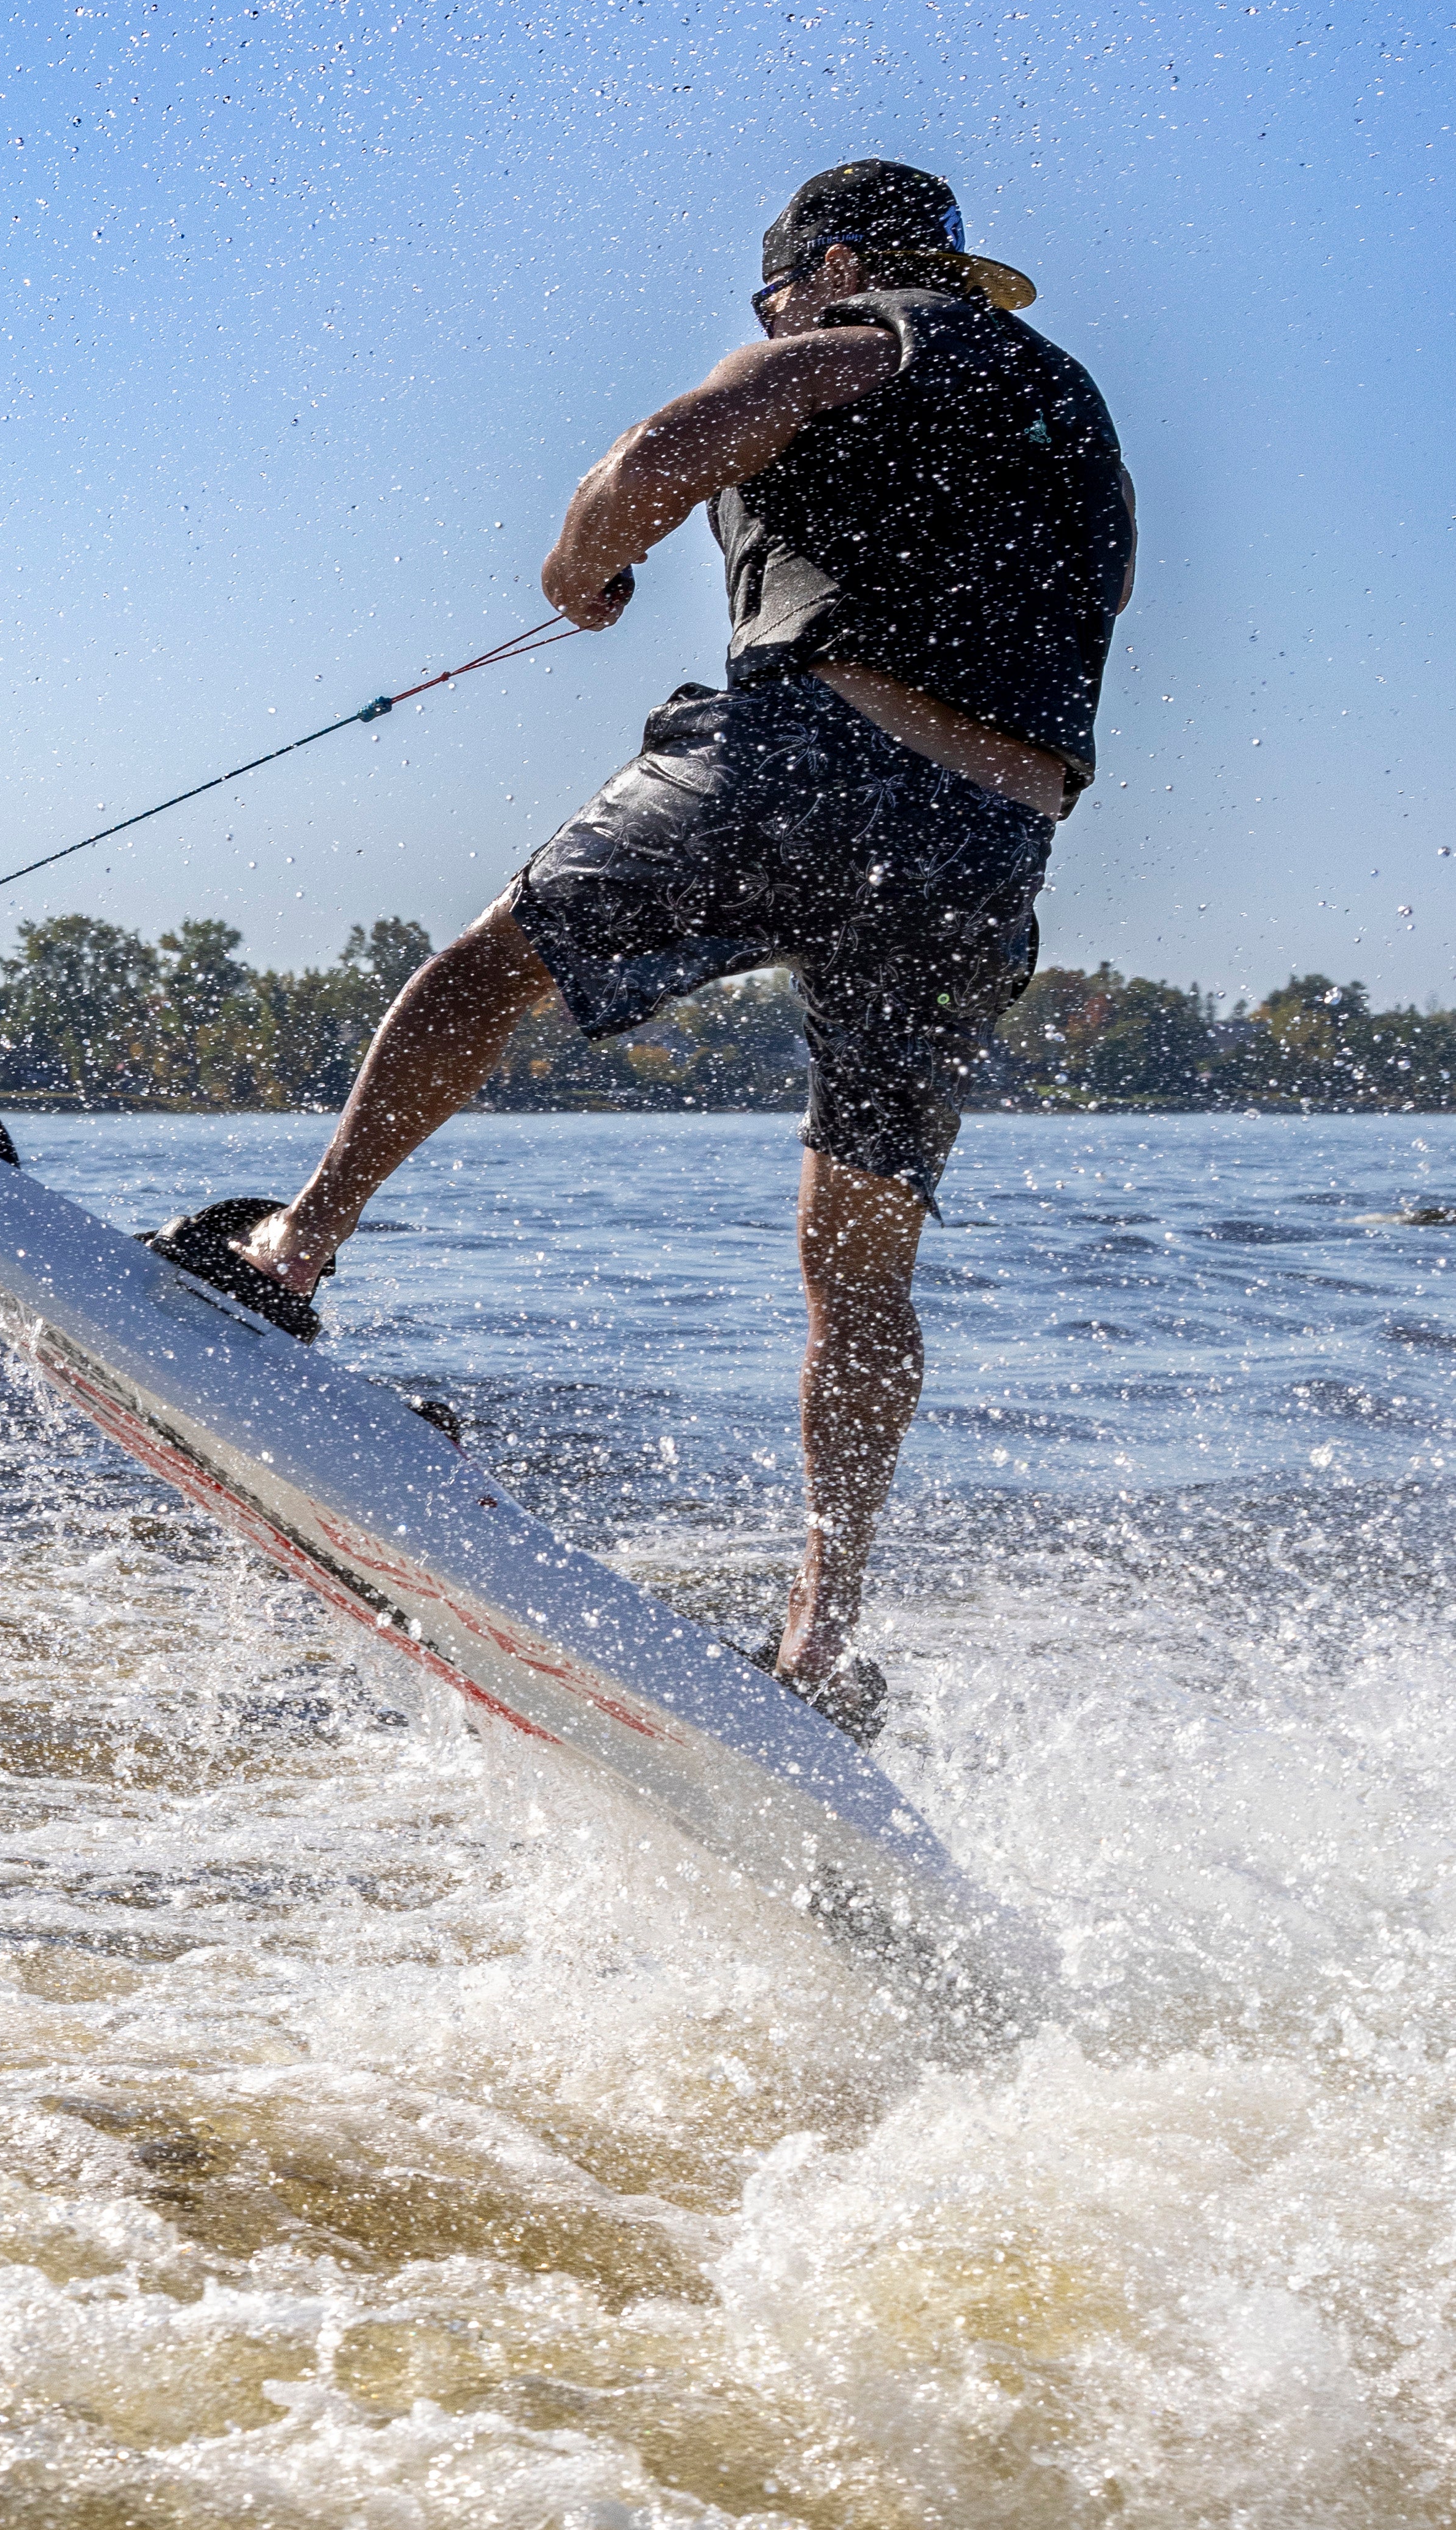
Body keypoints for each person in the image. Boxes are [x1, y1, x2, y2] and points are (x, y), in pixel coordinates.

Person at [230, 158, 1136, 1737]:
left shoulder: (867, 333)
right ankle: (822, 1632)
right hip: (993, 853)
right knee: (858, 1261)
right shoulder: (1074, 414)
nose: (773, 316)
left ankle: (288, 1253)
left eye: (773, 291)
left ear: (831, 262)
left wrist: (582, 561)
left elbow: (671, 449)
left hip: (817, 768)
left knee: (497, 960)